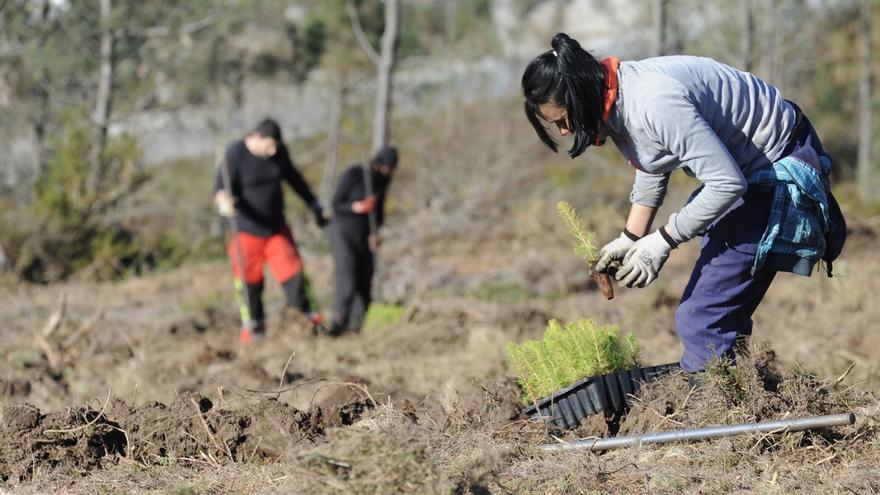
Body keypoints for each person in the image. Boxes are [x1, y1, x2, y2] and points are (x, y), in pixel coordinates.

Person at [522, 33, 845, 373]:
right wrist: (630, 238)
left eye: (562, 121)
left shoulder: (652, 101)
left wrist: (662, 241)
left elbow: (726, 183)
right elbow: (653, 159)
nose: (562, 132)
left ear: (579, 96)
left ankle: (720, 410)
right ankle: (740, 387)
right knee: (714, 306)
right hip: (748, 171)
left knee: (701, 319)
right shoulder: (618, 93)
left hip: (778, 165)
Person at [214, 118, 328, 343]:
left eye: (276, 145)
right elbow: (220, 188)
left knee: (293, 274)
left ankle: (309, 322)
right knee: (249, 282)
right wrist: (224, 202)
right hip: (246, 232)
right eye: (269, 144)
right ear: (255, 137)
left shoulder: (278, 154)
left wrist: (314, 204)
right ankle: (254, 328)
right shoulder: (235, 154)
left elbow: (295, 179)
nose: (273, 150)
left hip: (276, 229)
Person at [329, 146, 398, 335]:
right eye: (384, 167)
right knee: (348, 280)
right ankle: (336, 323)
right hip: (343, 233)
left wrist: (375, 233)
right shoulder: (355, 174)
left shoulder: (383, 183)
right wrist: (356, 206)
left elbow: (379, 213)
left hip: (364, 237)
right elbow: (335, 204)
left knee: (365, 279)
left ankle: (354, 327)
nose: (385, 172)